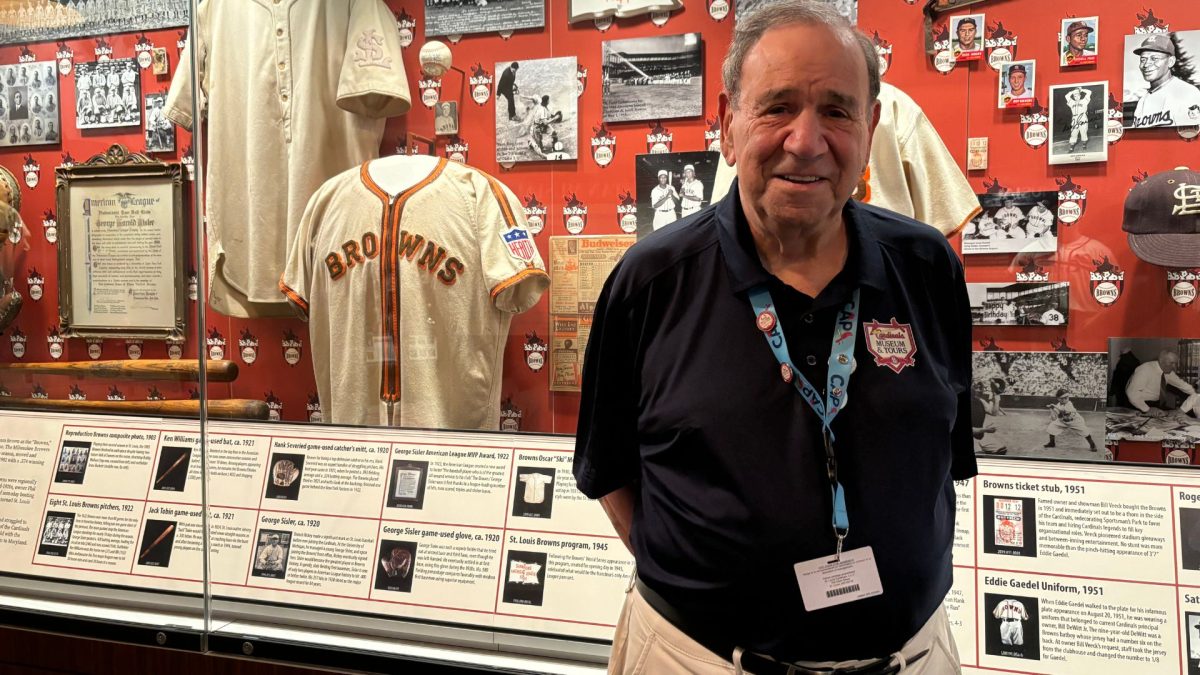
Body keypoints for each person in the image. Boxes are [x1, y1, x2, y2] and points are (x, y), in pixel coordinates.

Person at [574, 2, 973, 672]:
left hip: (913, 656)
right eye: (778, 106)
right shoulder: (651, 281)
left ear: (871, 127)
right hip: (697, 659)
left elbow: (944, 454)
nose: (807, 140)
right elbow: (609, 471)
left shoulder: (928, 268)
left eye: (838, 111)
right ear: (729, 125)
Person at [1130, 33, 1200, 128]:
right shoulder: (1142, 100)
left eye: (1154, 59)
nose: (1146, 65)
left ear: (1170, 62)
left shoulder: (1187, 93)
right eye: (1143, 60)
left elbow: (1191, 136)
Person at [1125, 349, 1199, 417]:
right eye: (1172, 363)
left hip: (1155, 404)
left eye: (1175, 363)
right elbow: (1132, 393)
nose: (1174, 367)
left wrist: (1198, 393)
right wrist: (1147, 409)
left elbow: (1184, 386)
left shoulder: (1168, 372)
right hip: (1138, 404)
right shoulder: (1145, 369)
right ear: (1161, 360)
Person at [1064, 85, 1092, 152]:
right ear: (1074, 97)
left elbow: (1089, 92)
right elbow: (1066, 96)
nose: (1076, 97)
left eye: (1078, 95)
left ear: (1080, 95)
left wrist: (1081, 90)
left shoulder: (1084, 101)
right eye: (1075, 96)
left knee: (1083, 132)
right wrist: (1073, 91)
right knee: (1073, 133)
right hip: (1074, 118)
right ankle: (1071, 148)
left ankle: (1084, 144)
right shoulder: (1071, 102)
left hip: (1083, 117)